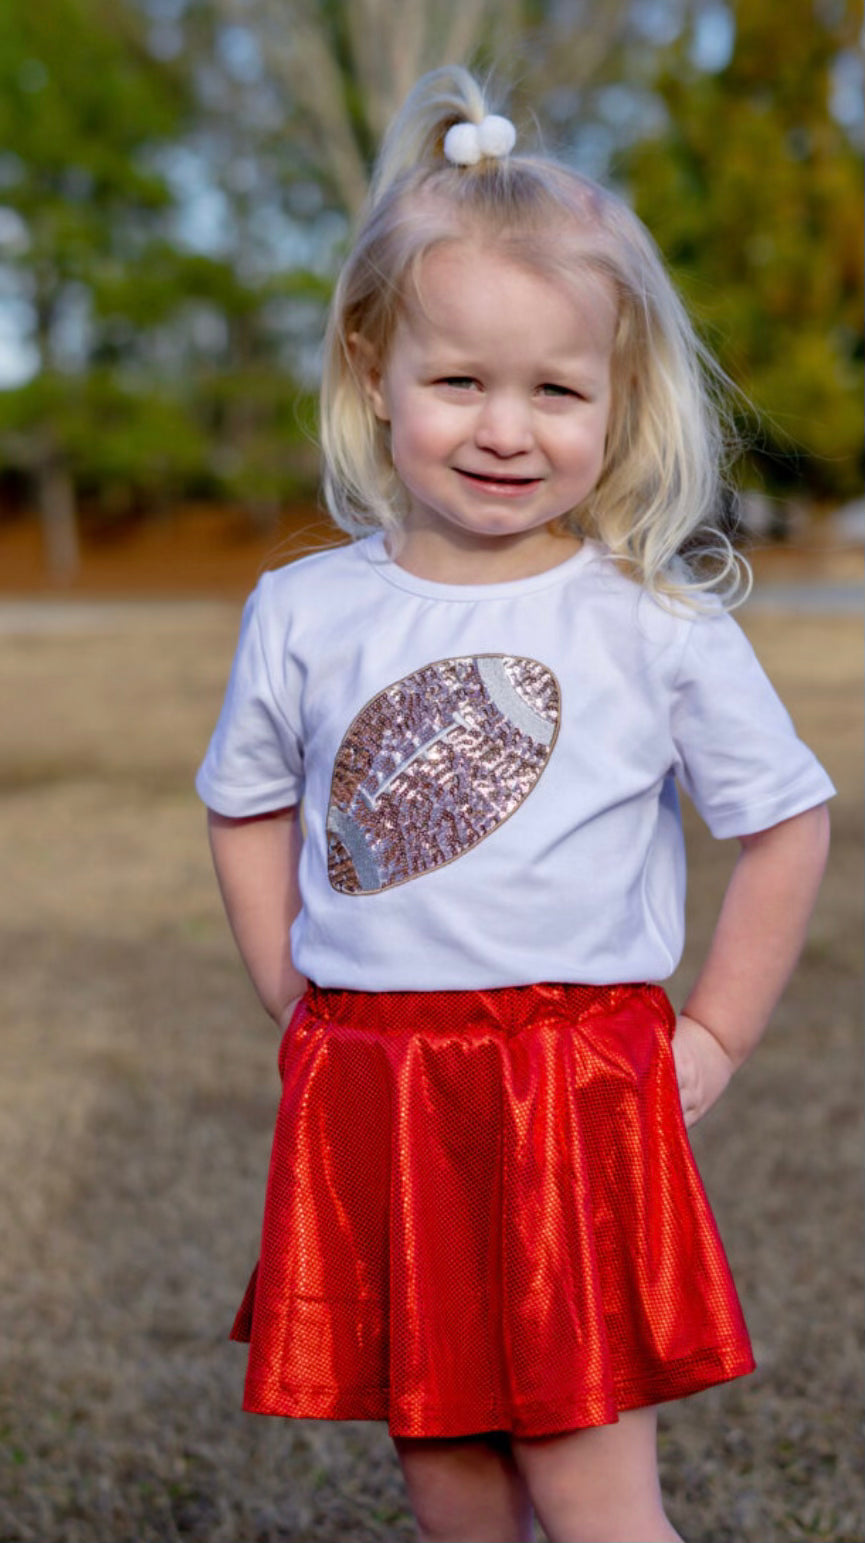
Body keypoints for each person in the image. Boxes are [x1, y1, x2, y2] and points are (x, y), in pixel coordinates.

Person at [196, 65, 833, 1543]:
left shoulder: (649, 622)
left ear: (620, 401)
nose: (504, 428)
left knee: (586, 1478)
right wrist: (294, 991)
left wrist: (716, 1032)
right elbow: (244, 806)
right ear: (372, 370)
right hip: (378, 1083)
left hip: (568, 1082)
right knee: (447, 1470)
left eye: (555, 390)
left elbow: (784, 822)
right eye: (458, 381)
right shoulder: (304, 610)